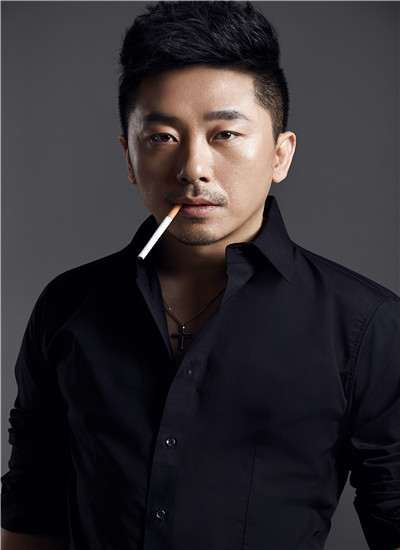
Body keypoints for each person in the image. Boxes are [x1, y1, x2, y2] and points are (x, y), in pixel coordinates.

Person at [2, 1, 399, 549]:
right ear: (128, 157)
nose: (193, 168)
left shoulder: (365, 325)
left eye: (225, 134)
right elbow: (33, 494)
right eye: (162, 137)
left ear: (280, 155)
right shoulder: (68, 305)